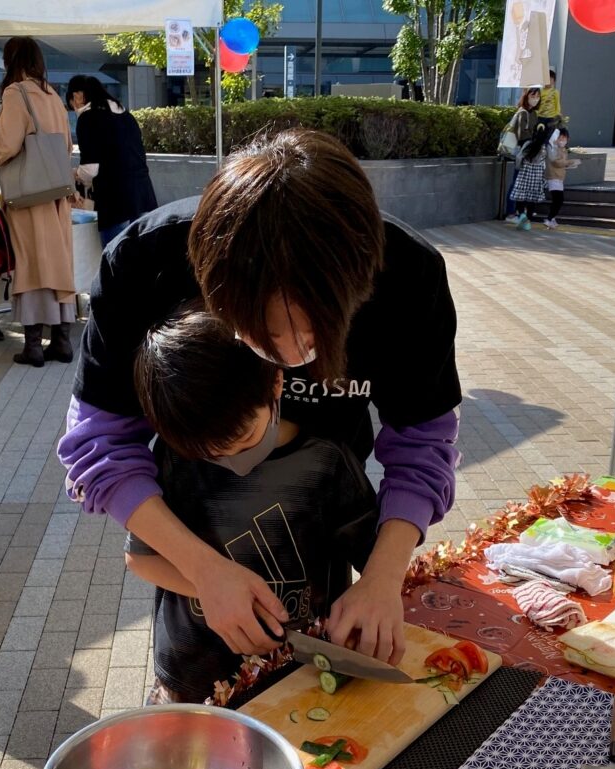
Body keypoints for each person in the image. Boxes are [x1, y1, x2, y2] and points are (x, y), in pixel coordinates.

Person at [58, 129, 461, 668]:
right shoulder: (144, 262)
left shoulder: (409, 277)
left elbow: (423, 442)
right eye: (261, 337)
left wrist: (385, 577)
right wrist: (202, 570)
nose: (293, 355)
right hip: (194, 548)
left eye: (317, 336)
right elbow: (100, 446)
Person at [127, 311, 378, 703]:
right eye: (207, 453)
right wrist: (213, 589)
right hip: (192, 678)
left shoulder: (326, 463)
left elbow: (374, 561)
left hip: (302, 673)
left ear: (276, 382)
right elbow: (141, 559)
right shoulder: (175, 462)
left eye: (245, 437)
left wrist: (376, 599)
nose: (229, 458)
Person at [0, 37, 75, 367]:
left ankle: (33, 346)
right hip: (56, 192)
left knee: (30, 262)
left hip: (29, 195)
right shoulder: (51, 94)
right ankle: (62, 341)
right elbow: (68, 144)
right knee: (58, 263)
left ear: (12, 60)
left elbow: (6, 144)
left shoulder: (17, 93)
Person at [65, 75, 158, 247]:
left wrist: (74, 174)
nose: (74, 108)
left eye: (71, 103)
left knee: (115, 263)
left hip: (114, 201)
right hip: (144, 196)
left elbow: (90, 169)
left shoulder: (88, 118)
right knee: (142, 261)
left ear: (78, 96)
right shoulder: (126, 116)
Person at [505, 86, 542, 219]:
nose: (535, 99)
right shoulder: (523, 113)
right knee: (517, 182)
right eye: (533, 96)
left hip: (529, 152)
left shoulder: (534, 113)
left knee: (522, 182)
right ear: (526, 97)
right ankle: (510, 211)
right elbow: (522, 134)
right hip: (522, 151)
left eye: (537, 97)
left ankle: (518, 211)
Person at [510, 123, 549, 230]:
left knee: (521, 197)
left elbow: (519, 158)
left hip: (524, 174)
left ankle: (521, 215)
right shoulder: (544, 148)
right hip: (536, 176)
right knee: (532, 200)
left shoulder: (528, 144)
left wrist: (518, 167)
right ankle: (527, 220)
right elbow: (545, 164)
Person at [543, 127, 574, 229]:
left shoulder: (562, 149)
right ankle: (549, 218)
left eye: (565, 138)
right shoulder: (553, 148)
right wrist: (568, 163)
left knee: (558, 200)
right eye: (561, 138)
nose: (563, 141)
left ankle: (552, 219)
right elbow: (556, 162)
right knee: (558, 200)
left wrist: (568, 164)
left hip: (559, 177)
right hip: (553, 176)